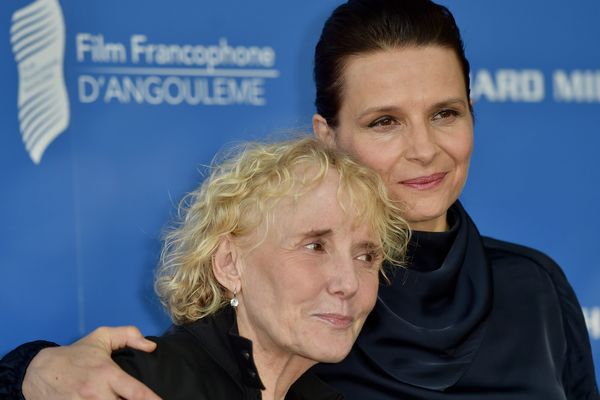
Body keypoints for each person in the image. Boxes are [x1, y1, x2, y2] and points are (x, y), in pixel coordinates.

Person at [2, 0, 599, 398]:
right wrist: (29, 371)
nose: (425, 150)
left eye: (445, 113)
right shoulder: (292, 308)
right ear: (328, 138)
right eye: (385, 121)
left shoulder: (537, 288)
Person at [0, 136, 409, 400]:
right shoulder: (126, 385)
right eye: (314, 245)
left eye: (366, 255)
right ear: (230, 264)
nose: (348, 282)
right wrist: (24, 373)